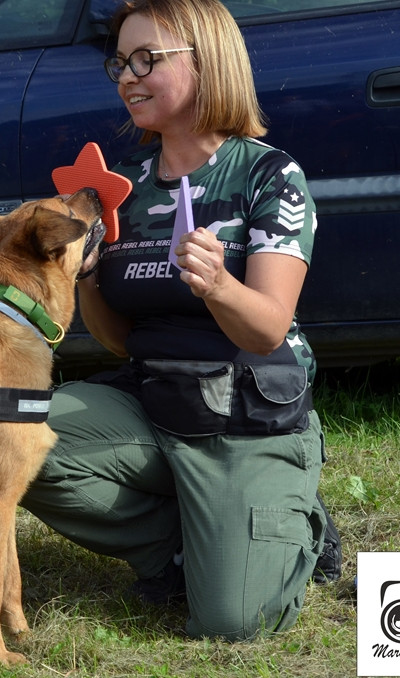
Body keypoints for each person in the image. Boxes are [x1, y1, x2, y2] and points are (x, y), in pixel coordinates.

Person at [20, 0, 337, 641]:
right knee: (17, 440)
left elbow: (268, 328)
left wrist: (220, 284)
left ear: (207, 62)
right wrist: (87, 277)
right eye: (121, 63)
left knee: (233, 622)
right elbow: (119, 340)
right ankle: (175, 548)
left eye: (147, 60)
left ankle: (300, 524)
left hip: (244, 418)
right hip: (155, 401)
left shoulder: (269, 176)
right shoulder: (122, 191)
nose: (127, 77)